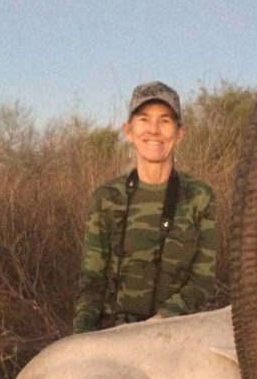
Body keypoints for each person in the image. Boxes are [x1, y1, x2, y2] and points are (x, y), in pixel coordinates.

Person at [73, 81, 217, 332]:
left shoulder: (199, 197)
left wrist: (163, 320)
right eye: (143, 120)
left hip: (175, 332)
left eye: (165, 121)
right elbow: (91, 280)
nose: (154, 130)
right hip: (112, 333)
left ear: (179, 133)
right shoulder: (106, 197)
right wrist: (81, 337)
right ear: (128, 130)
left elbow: (202, 280)